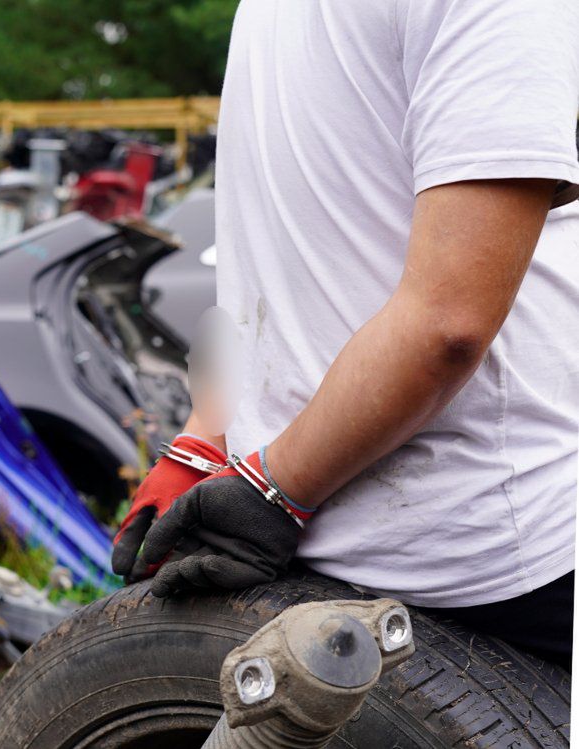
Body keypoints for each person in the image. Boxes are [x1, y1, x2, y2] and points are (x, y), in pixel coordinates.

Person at [112, 0, 579, 669]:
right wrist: (267, 486)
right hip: (491, 541)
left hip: (308, 525)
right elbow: (449, 319)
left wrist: (211, 441)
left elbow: (297, 255)